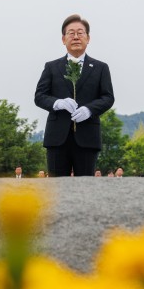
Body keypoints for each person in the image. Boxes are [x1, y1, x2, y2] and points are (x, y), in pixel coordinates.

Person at [34, 14, 115, 177]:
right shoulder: (52, 67)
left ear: (88, 38)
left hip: (87, 137)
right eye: (71, 33)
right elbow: (40, 96)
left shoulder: (100, 68)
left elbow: (108, 97)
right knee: (57, 189)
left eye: (80, 33)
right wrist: (58, 103)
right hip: (57, 138)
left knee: (85, 188)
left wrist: (89, 110)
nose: (76, 37)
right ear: (64, 39)